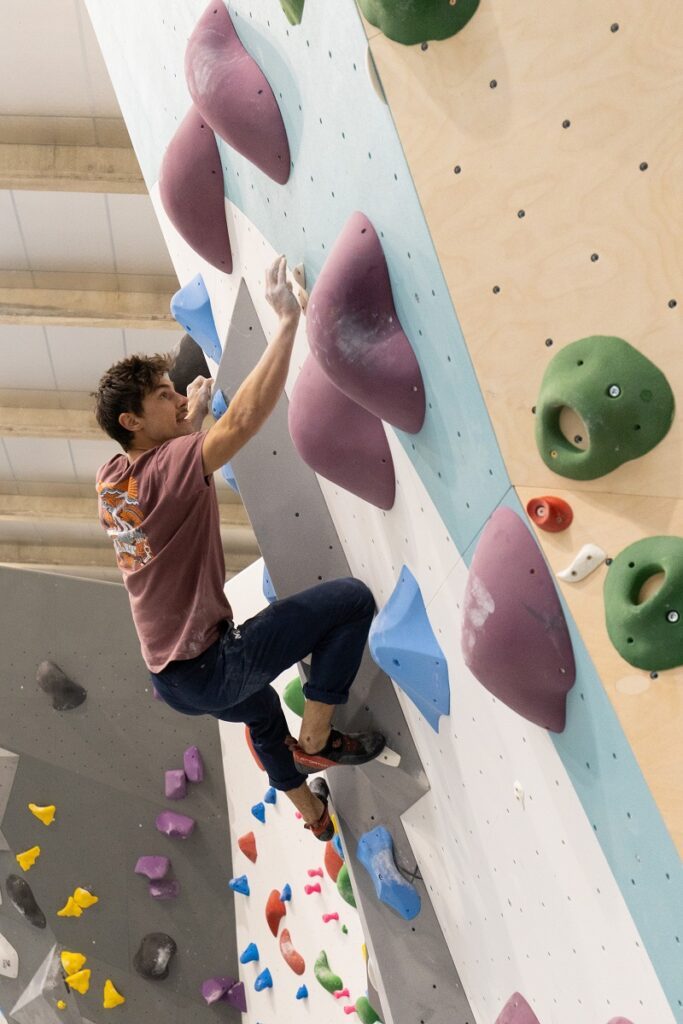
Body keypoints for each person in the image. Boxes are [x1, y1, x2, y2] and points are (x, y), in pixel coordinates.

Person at [93, 256, 385, 841]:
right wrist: (284, 323)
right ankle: (319, 740)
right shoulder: (168, 467)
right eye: (161, 396)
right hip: (209, 664)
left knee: (261, 712)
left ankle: (315, 817)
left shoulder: (110, 478)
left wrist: (187, 415)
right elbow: (245, 419)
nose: (176, 397)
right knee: (352, 602)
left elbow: (162, 475)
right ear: (132, 418)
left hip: (171, 679)